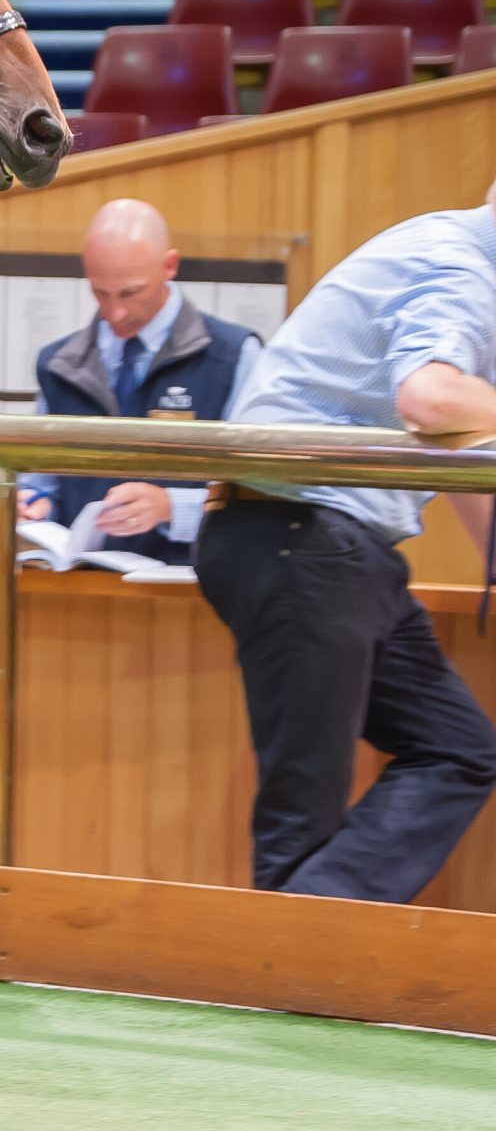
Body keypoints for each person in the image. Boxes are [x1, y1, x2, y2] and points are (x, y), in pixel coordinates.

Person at [193, 185, 496, 904]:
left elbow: (457, 445)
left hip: (335, 543)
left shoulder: (458, 260)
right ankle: (294, 973)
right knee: (302, 818)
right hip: (301, 534)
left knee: (459, 748)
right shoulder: (460, 269)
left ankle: (315, 949)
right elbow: (429, 398)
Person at [18, 200, 261, 562]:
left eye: (130, 293)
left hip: (189, 589)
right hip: (79, 592)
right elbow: (42, 484)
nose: (115, 312)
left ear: (169, 266)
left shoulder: (233, 355)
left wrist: (171, 507)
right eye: (100, 292)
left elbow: (257, 493)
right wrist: (32, 506)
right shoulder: (59, 364)